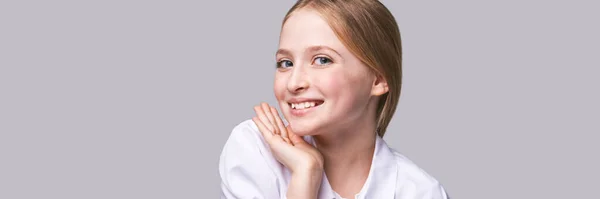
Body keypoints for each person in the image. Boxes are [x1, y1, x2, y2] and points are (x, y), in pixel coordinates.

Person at [219, 0, 449, 198]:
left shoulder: (421, 192)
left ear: (378, 80)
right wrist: (305, 175)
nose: (293, 83)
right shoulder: (256, 151)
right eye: (285, 63)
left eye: (322, 60)